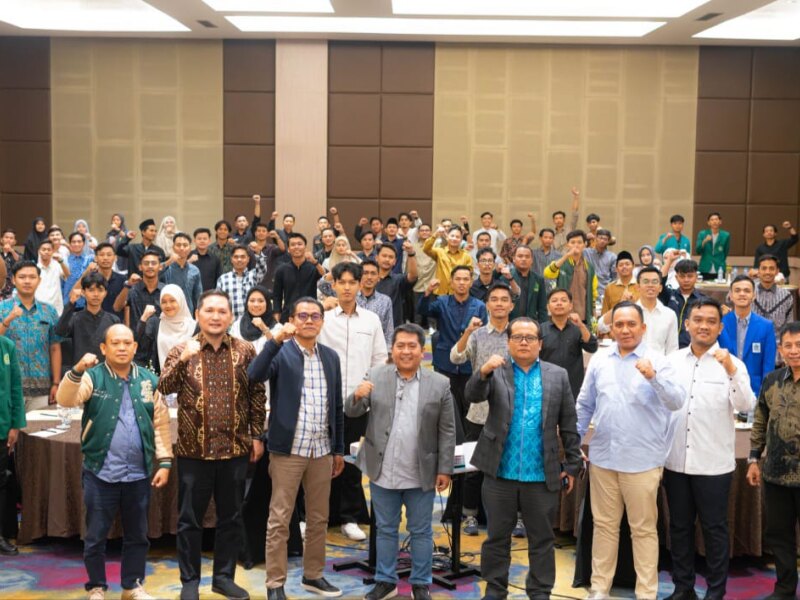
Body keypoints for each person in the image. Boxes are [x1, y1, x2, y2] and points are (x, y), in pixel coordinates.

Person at [158, 290, 266, 600]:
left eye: (222, 311)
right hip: (194, 452)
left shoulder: (245, 350)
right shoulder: (182, 349)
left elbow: (257, 395)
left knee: (230, 518)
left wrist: (257, 434)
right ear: (197, 314)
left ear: (231, 317)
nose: (216, 316)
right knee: (189, 520)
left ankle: (223, 578)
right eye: (209, 311)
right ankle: (190, 581)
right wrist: (183, 361)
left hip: (235, 449)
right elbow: (163, 387)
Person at [465, 317, 582, 600]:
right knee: (496, 538)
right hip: (500, 472)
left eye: (530, 338)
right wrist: (483, 371)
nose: (524, 342)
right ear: (508, 343)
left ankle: (540, 592)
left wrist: (572, 465)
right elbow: (472, 395)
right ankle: (495, 590)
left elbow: (568, 422)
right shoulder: (496, 371)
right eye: (517, 337)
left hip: (540, 474)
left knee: (542, 539)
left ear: (540, 344)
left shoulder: (557, 375)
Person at [576, 302, 684, 600]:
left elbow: (676, 401)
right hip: (603, 458)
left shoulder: (659, 361)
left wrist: (653, 377)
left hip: (642, 461)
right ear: (611, 328)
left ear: (643, 328)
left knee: (644, 530)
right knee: (604, 527)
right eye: (619, 324)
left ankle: (646, 593)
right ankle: (600, 589)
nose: (625, 330)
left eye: (631, 324)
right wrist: (574, 443)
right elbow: (584, 405)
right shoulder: (600, 359)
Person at [56, 325, 173, 600]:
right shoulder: (93, 377)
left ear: (135, 347)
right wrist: (76, 370)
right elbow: (66, 399)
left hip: (138, 474)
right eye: (115, 343)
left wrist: (165, 461)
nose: (121, 348)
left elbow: (160, 423)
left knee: (138, 536)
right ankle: (96, 587)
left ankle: (132, 586)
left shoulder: (148, 379)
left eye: (127, 343)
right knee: (96, 536)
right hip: (100, 472)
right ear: (104, 348)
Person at [347, 323, 455, 600]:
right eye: (400, 346)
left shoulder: (439, 383)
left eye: (412, 346)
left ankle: (421, 583)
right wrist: (356, 395)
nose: (406, 351)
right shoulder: (376, 375)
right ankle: (385, 581)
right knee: (385, 529)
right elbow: (352, 411)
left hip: (421, 472)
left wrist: (445, 468)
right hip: (382, 470)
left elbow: (447, 430)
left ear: (422, 350)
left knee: (421, 531)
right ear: (392, 350)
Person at [247, 297, 345, 600]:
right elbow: (255, 374)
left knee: (318, 518)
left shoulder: (330, 357)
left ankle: (313, 575)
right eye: (302, 316)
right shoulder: (282, 352)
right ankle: (275, 583)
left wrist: (338, 449)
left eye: (315, 316)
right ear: (291, 320)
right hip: (288, 450)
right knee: (279, 519)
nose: (309, 321)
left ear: (322, 321)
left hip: (322, 449)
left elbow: (336, 406)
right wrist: (276, 340)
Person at [664, 298, 756, 600]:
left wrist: (730, 369)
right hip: (676, 461)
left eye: (711, 321)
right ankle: (683, 588)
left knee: (715, 530)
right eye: (698, 320)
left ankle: (716, 592)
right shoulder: (672, 361)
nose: (703, 326)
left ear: (719, 327)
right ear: (687, 324)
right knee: (679, 528)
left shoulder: (733, 364)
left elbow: (746, 404)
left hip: (713, 465)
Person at [318, 262, 387, 542]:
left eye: (352, 282)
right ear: (333, 284)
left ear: (360, 285)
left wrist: (369, 391)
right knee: (320, 461)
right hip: (324, 401)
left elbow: (379, 359)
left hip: (358, 402)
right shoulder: (322, 318)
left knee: (351, 461)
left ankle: (349, 517)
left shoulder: (371, 320)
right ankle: (316, 515)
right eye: (342, 282)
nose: (347, 288)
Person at [450, 282, 514, 536]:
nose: (499, 304)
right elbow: (455, 357)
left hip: (511, 411)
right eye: (494, 299)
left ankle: (515, 518)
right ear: (487, 305)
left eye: (504, 299)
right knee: (473, 468)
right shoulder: (477, 335)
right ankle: (470, 515)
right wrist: (467, 331)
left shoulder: (518, 333)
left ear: (511, 305)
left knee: (511, 466)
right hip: (479, 412)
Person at [747, 321, 800, 599]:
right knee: (779, 535)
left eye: (799, 345)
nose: (794, 351)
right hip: (776, 473)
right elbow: (760, 422)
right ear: (780, 350)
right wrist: (753, 459)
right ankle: (785, 589)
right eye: (788, 345)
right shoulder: (771, 381)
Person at [418, 266, 488, 439]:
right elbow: (423, 311)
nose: (462, 283)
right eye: (458, 279)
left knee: (469, 406)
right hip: (445, 363)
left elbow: (484, 334)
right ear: (451, 281)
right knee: (447, 407)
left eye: (466, 279)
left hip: (468, 365)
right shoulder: (442, 302)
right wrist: (428, 292)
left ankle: (468, 444)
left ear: (471, 282)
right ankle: (450, 443)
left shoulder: (479, 306)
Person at [0, 261, 62, 411]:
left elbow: (55, 347)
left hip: (42, 388)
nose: (27, 281)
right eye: (22, 277)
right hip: (8, 386)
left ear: (39, 280)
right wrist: (8, 320)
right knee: (9, 426)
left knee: (39, 425)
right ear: (13, 280)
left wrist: (56, 383)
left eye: (32, 277)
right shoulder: (2, 309)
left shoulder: (49, 311)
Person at [598, 266, 679, 355]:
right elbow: (601, 326)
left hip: (658, 362)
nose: (650, 285)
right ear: (638, 287)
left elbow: (672, 350)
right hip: (631, 361)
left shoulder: (669, 314)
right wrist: (620, 305)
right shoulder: (629, 311)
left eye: (654, 282)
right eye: (646, 281)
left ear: (660, 288)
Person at [719, 275, 777, 398]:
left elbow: (768, 366)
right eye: (737, 290)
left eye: (747, 290)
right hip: (723, 389)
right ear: (730, 295)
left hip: (754, 391)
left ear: (754, 295)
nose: (742, 294)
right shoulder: (720, 324)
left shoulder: (766, 326)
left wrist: (764, 395)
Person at [540, 288, 598, 398]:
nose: (559, 303)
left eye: (563, 300)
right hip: (547, 386)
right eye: (554, 301)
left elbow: (592, 347)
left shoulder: (578, 328)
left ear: (570, 305)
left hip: (573, 387)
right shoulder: (540, 330)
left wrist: (581, 325)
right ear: (548, 307)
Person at [56, 272, 120, 364]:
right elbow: (60, 331)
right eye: (91, 290)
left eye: (100, 290)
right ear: (83, 292)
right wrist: (71, 303)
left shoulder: (113, 320)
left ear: (105, 293)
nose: (96, 294)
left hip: (106, 369)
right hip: (80, 368)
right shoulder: (75, 318)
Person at [115, 251, 164, 365]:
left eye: (153, 263)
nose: (150, 266)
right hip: (137, 346)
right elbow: (117, 307)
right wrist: (128, 285)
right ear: (140, 267)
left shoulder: (166, 291)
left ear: (160, 267)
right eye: (146, 263)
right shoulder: (132, 289)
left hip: (160, 345)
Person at [0, 333, 24, 556]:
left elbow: (16, 386)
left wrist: (16, 424)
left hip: (3, 424)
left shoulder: (6, 346)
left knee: (1, 481)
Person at [136, 285, 196, 373]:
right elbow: (140, 346)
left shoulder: (194, 326)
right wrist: (143, 318)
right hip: (161, 377)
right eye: (164, 302)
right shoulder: (155, 324)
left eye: (172, 301)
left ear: (181, 301)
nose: (168, 305)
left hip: (189, 377)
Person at [544, 230, 597, 324]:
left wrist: (593, 311)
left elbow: (593, 291)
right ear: (567, 245)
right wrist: (567, 256)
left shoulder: (589, 267)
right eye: (572, 242)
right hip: (563, 313)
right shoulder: (560, 263)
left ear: (585, 244)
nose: (576, 245)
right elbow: (547, 273)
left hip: (583, 314)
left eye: (579, 242)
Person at [272, 233, 325, 323]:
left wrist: (314, 262)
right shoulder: (281, 269)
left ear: (305, 247)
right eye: (293, 245)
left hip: (310, 313)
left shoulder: (313, 267)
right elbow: (277, 295)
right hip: (288, 314)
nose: (296, 247)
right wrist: (277, 314)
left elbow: (325, 276)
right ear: (288, 249)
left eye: (299, 244)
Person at [659, 258, 706, 349]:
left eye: (690, 276)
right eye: (682, 276)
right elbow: (660, 281)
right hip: (668, 346)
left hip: (692, 348)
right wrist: (669, 260)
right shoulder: (669, 295)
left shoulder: (703, 300)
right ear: (676, 277)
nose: (686, 280)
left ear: (696, 277)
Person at [752, 255, 795, 350]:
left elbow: (789, 326)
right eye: (764, 268)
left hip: (776, 348)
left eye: (771, 268)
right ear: (758, 271)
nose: (767, 272)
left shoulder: (786, 296)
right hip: (751, 345)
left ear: (777, 271)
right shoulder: (748, 292)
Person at [215, 244, 268, 320]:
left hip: (251, 322)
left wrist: (258, 253)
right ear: (231, 259)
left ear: (248, 259)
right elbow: (218, 302)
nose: (239, 259)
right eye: (236, 257)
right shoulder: (223, 279)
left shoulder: (254, 275)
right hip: (230, 322)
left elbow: (262, 267)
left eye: (243, 257)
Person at [375, 242, 418, 327]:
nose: (387, 259)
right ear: (376, 258)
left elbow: (413, 276)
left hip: (393, 328)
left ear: (394, 262)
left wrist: (411, 254)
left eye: (390, 257)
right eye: (384, 256)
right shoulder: (368, 279)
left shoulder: (398, 280)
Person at [423, 225, 473, 296]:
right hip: (440, 292)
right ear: (447, 237)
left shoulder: (466, 255)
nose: (454, 239)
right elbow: (426, 249)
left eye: (457, 237)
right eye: (452, 236)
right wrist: (435, 235)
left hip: (458, 293)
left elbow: (470, 274)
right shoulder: (439, 252)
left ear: (461, 239)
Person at [160, 233, 202, 314]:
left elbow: (198, 295)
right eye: (178, 245)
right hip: (168, 313)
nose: (182, 248)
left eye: (185, 245)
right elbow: (153, 273)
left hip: (188, 314)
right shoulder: (166, 268)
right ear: (173, 247)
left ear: (190, 248)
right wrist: (169, 261)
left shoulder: (195, 270)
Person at [230, 286, 279, 355]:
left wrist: (264, 329)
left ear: (267, 304)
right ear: (247, 303)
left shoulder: (277, 328)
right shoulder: (237, 326)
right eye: (252, 301)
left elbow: (278, 352)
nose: (256, 304)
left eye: (261, 301)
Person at [356, 259, 394, 348]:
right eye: (365, 273)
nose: (369, 277)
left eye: (373, 273)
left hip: (376, 347)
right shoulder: (351, 297)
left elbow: (388, 331)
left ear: (378, 278)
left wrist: (387, 352)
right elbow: (324, 286)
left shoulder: (385, 301)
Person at [509, 245, 548, 323]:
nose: (524, 259)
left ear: (532, 260)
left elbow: (542, 308)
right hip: (511, 323)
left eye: (527, 257)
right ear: (514, 259)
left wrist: (543, 326)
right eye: (520, 256)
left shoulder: (538, 280)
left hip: (531, 324)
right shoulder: (506, 277)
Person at [91, 243, 127, 319]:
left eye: (109, 255)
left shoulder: (123, 280)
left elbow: (126, 305)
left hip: (116, 322)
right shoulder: (89, 278)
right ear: (96, 258)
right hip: (93, 322)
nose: (105, 258)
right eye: (101, 255)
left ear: (115, 258)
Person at [35, 239, 68, 315]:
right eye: (43, 249)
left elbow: (67, 275)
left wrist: (61, 261)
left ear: (53, 251)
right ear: (39, 251)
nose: (46, 252)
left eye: (49, 250)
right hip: (39, 306)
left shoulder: (57, 265)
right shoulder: (35, 268)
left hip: (56, 307)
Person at [62, 232, 94, 307]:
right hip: (68, 301)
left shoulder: (90, 259)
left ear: (83, 243)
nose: (76, 244)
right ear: (70, 244)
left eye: (79, 242)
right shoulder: (64, 260)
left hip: (86, 302)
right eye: (73, 242)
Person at [696, 212, 730, 281]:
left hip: (719, 268)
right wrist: (704, 241)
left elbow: (726, 252)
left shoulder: (726, 235)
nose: (714, 221)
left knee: (719, 287)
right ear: (708, 223)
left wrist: (720, 260)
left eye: (716, 219)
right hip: (705, 268)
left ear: (720, 222)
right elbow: (698, 250)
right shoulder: (702, 234)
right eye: (712, 220)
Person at [584, 229, 617, 299]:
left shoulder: (612, 257)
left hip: (604, 291)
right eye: (600, 238)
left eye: (605, 239)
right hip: (588, 290)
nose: (602, 241)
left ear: (608, 241)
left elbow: (614, 277)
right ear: (596, 238)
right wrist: (586, 237)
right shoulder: (586, 252)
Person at [553, 187, 581, 252]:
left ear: (564, 219)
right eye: (556, 218)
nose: (558, 220)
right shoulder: (552, 234)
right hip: (557, 258)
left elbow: (575, 213)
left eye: (560, 218)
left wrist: (576, 197)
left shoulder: (570, 228)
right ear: (553, 221)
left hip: (570, 256)